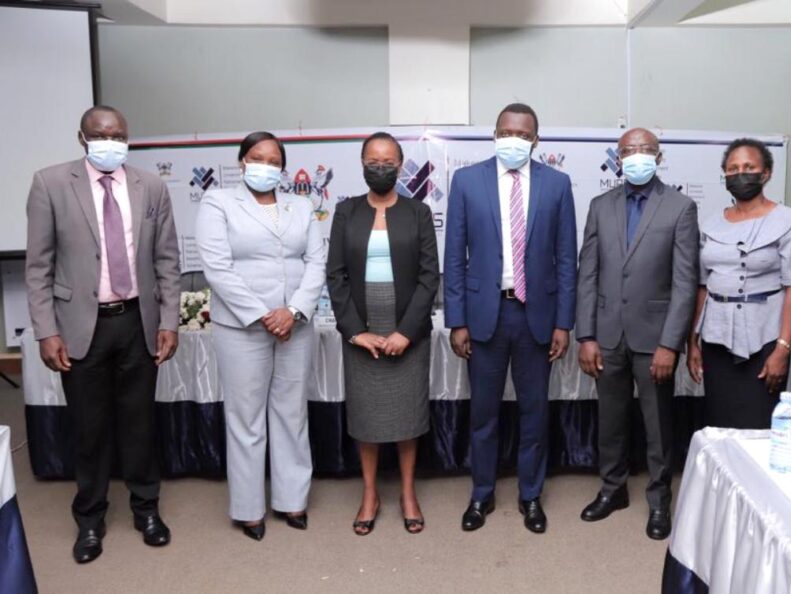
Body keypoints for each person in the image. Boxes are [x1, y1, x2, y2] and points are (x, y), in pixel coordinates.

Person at [25, 105, 181, 563]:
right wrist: (45, 331)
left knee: (140, 423)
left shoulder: (150, 185)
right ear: (82, 138)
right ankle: (90, 520)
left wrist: (169, 320)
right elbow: (39, 267)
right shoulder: (50, 183)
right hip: (78, 325)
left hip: (137, 322)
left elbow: (167, 261)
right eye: (101, 134)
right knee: (89, 428)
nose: (111, 142)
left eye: (119, 135)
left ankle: (146, 509)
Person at [444, 103, 577, 534]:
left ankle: (530, 496)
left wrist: (564, 323)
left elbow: (565, 260)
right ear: (494, 134)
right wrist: (457, 321)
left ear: (536, 139)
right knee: (483, 413)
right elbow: (455, 257)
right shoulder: (467, 181)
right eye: (505, 131)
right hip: (486, 315)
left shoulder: (557, 185)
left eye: (522, 133)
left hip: (535, 316)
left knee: (534, 412)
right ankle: (481, 494)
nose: (513, 139)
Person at [196, 131, 326, 540]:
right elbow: (217, 268)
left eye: (273, 161)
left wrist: (293, 311)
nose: (265, 166)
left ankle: (292, 499)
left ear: (283, 168)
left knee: (291, 413)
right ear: (241, 162)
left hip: (296, 325)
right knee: (246, 418)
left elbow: (316, 262)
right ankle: (248, 508)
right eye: (257, 158)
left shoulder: (301, 205)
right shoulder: (218, 202)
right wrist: (263, 315)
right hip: (242, 327)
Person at [575, 127, 698, 540]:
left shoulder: (680, 207)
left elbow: (685, 282)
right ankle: (613, 490)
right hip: (607, 335)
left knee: (658, 423)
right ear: (617, 158)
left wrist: (670, 344)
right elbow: (587, 273)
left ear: (659, 156)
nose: (637, 156)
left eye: (645, 149)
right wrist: (586, 335)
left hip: (655, 339)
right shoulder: (599, 205)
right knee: (610, 420)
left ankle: (659, 500)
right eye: (628, 150)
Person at [326, 132, 439, 536]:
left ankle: (408, 492)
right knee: (367, 418)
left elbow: (429, 277)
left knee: (407, 416)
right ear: (361, 163)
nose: (380, 166)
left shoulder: (418, 213)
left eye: (388, 160)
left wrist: (406, 332)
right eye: (372, 160)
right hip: (362, 329)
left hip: (407, 328)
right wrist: (356, 332)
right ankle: (370, 493)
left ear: (400, 164)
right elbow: (335, 275)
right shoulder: (346, 212)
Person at [687, 139, 791, 429]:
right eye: (732, 169)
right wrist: (692, 341)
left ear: (766, 173)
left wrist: (783, 348)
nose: (740, 173)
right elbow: (703, 286)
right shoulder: (711, 224)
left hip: (765, 337)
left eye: (748, 167)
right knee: (720, 420)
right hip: (716, 337)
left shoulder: (787, 221)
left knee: (759, 421)